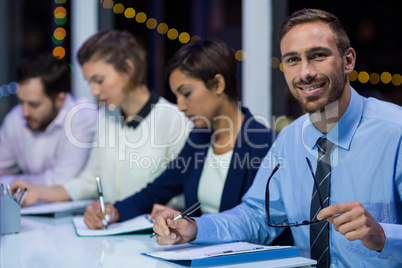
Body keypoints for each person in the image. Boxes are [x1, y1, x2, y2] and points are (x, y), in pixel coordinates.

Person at [152, 8, 402, 268]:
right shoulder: (289, 139)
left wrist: (386, 236)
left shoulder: (396, 132)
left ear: (348, 60)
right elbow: (257, 216)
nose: (305, 72)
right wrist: (194, 228)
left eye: (318, 55)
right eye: (293, 60)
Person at [82, 39, 276, 236]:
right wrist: (115, 211)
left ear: (218, 84)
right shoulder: (199, 138)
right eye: (176, 96)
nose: (181, 105)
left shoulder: (263, 144)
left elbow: (258, 223)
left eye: (186, 93)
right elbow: (158, 190)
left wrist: (191, 224)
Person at [11, 30, 189, 206]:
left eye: (99, 80)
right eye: (90, 82)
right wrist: (38, 191)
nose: (94, 91)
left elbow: (183, 196)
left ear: (128, 69)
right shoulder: (106, 117)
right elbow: (89, 182)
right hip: (112, 231)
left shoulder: (174, 120)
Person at [0, 53, 97, 186]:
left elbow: (62, 180)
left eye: (34, 105)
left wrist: (14, 182)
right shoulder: (15, 118)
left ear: (60, 99)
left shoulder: (82, 116)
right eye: (21, 102)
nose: (25, 112)